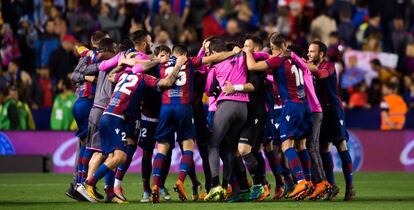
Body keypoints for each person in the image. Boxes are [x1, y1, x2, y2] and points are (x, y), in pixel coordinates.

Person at [77, 53, 187, 203]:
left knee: (111, 156)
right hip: (115, 119)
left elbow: (110, 75)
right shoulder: (144, 78)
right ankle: (87, 184)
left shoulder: (124, 74)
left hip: (107, 116)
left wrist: (122, 63)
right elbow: (167, 82)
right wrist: (179, 65)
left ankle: (110, 192)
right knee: (120, 156)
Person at [244, 32, 313, 200]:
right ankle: (309, 181)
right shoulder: (294, 57)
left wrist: (247, 53)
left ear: (274, 47)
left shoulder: (278, 59)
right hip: (305, 105)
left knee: (286, 146)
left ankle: (301, 181)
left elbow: (252, 66)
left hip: (291, 106)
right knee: (300, 145)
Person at [307, 40, 356, 201]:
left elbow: (321, 74)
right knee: (323, 148)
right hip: (320, 112)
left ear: (321, 54)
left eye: (312, 51)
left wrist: (303, 65)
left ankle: (350, 186)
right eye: (308, 51)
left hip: (334, 110)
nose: (309, 54)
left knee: (341, 144)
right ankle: (331, 186)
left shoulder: (329, 66)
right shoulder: (308, 66)